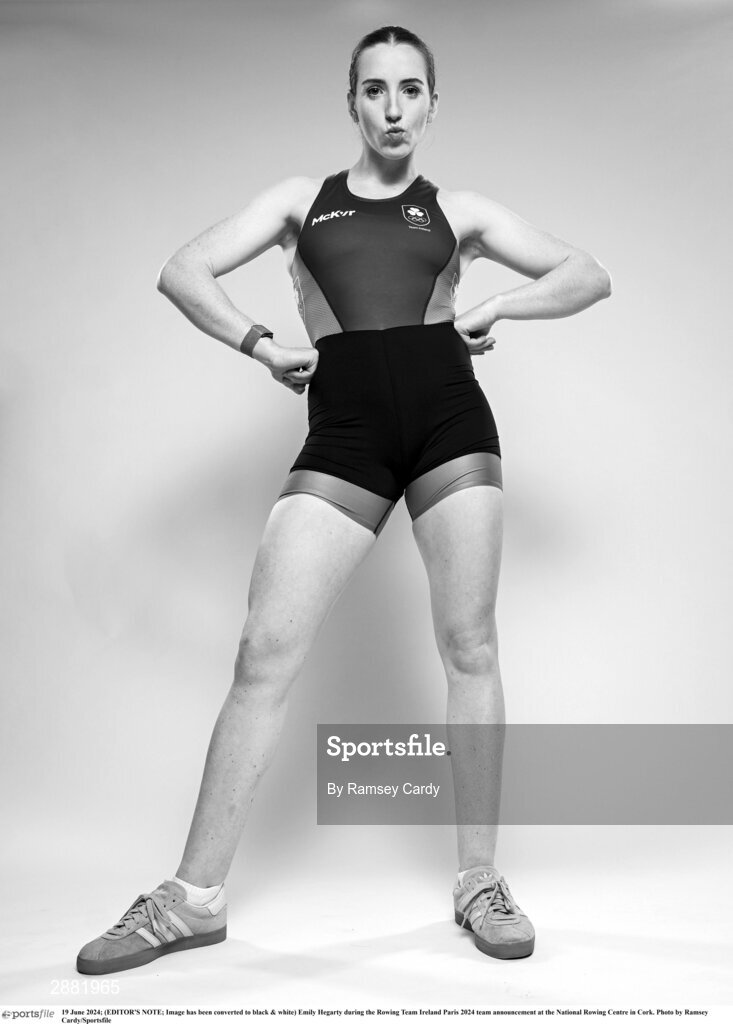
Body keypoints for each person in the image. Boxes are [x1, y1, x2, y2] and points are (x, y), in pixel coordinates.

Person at [76, 25, 611, 975]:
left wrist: (498, 305)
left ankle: (478, 880)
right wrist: (258, 343)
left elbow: (586, 274)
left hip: (451, 426)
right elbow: (181, 269)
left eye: (412, 90)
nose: (395, 107)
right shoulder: (301, 203)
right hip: (348, 437)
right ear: (353, 103)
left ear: (434, 104)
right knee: (262, 650)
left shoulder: (462, 211)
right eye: (376, 90)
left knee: (469, 643)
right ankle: (190, 901)